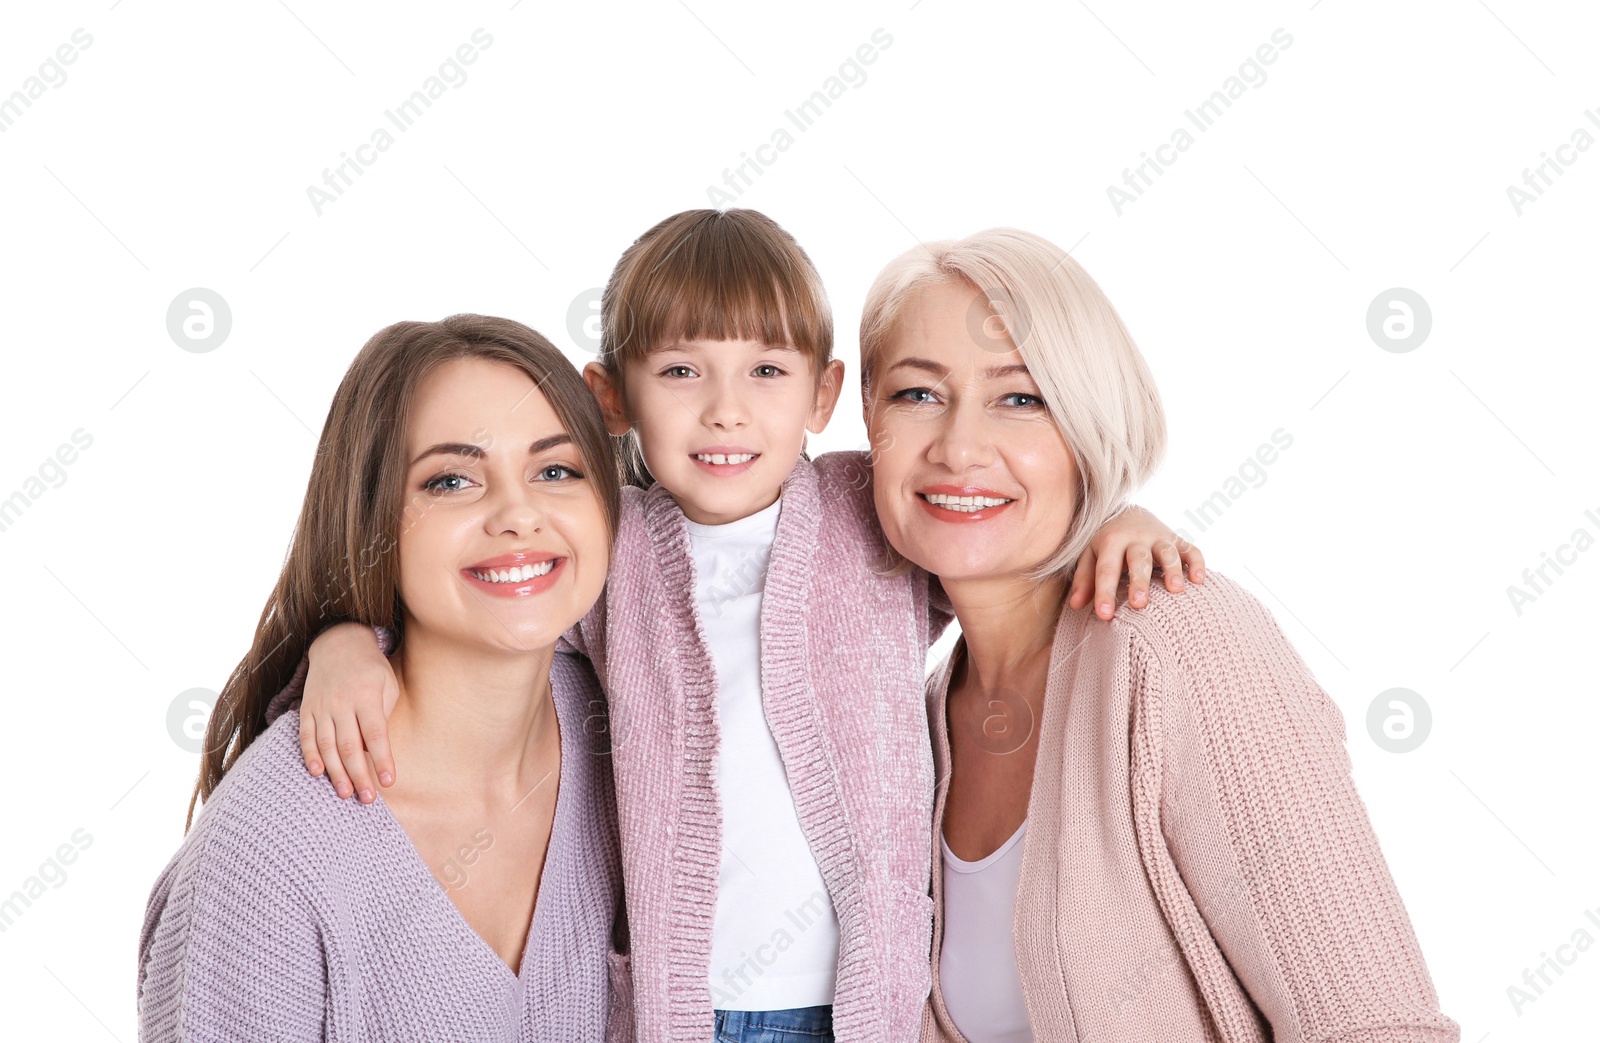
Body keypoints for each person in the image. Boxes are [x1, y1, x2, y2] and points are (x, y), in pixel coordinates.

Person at [279, 210, 1203, 1042]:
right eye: (680, 371)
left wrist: (1118, 519)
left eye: (766, 371)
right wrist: (346, 642)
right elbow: (488, 624)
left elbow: (1001, 547)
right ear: (612, 397)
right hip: (674, 1006)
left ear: (823, 394)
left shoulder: (865, 511)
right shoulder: (608, 548)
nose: (725, 408)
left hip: (868, 1006)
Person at [854, 228, 1459, 1042]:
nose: (959, 446)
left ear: (1087, 428)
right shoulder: (910, 717)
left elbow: (1374, 1024)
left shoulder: (1177, 640)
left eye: (1021, 397)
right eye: (916, 394)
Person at [137, 316, 630, 1042]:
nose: (519, 514)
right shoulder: (269, 848)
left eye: (556, 470)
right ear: (372, 520)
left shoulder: (629, 730)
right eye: (452, 479)